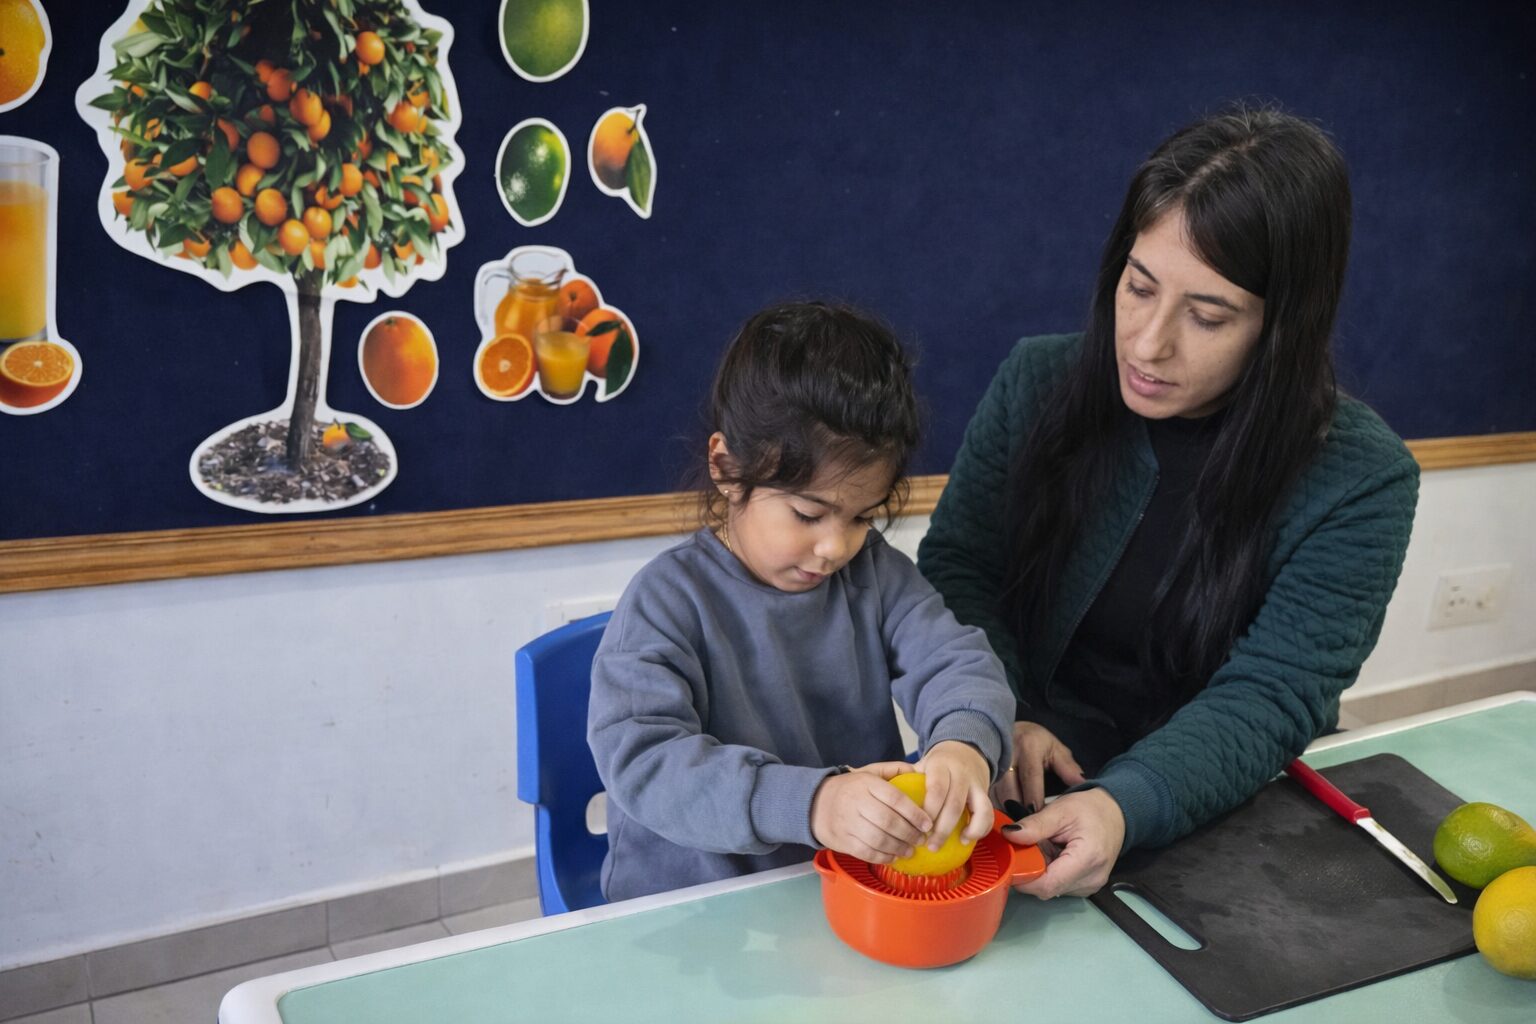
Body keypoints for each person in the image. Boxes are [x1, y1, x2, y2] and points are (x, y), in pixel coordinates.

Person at [917, 104, 1419, 899]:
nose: (1148, 343)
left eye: (1207, 316)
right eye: (1138, 286)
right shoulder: (1037, 381)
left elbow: (1274, 692)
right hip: (1025, 761)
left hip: (1215, 795)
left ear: (1283, 328)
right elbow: (959, 568)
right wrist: (995, 715)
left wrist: (1127, 803)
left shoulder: (1362, 477)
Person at [588, 301, 1016, 902]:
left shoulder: (875, 575)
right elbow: (646, 762)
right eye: (808, 514)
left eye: (862, 517)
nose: (835, 547)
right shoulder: (666, 601)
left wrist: (963, 745)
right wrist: (814, 804)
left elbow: (958, 662)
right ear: (727, 468)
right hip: (698, 902)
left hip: (840, 884)